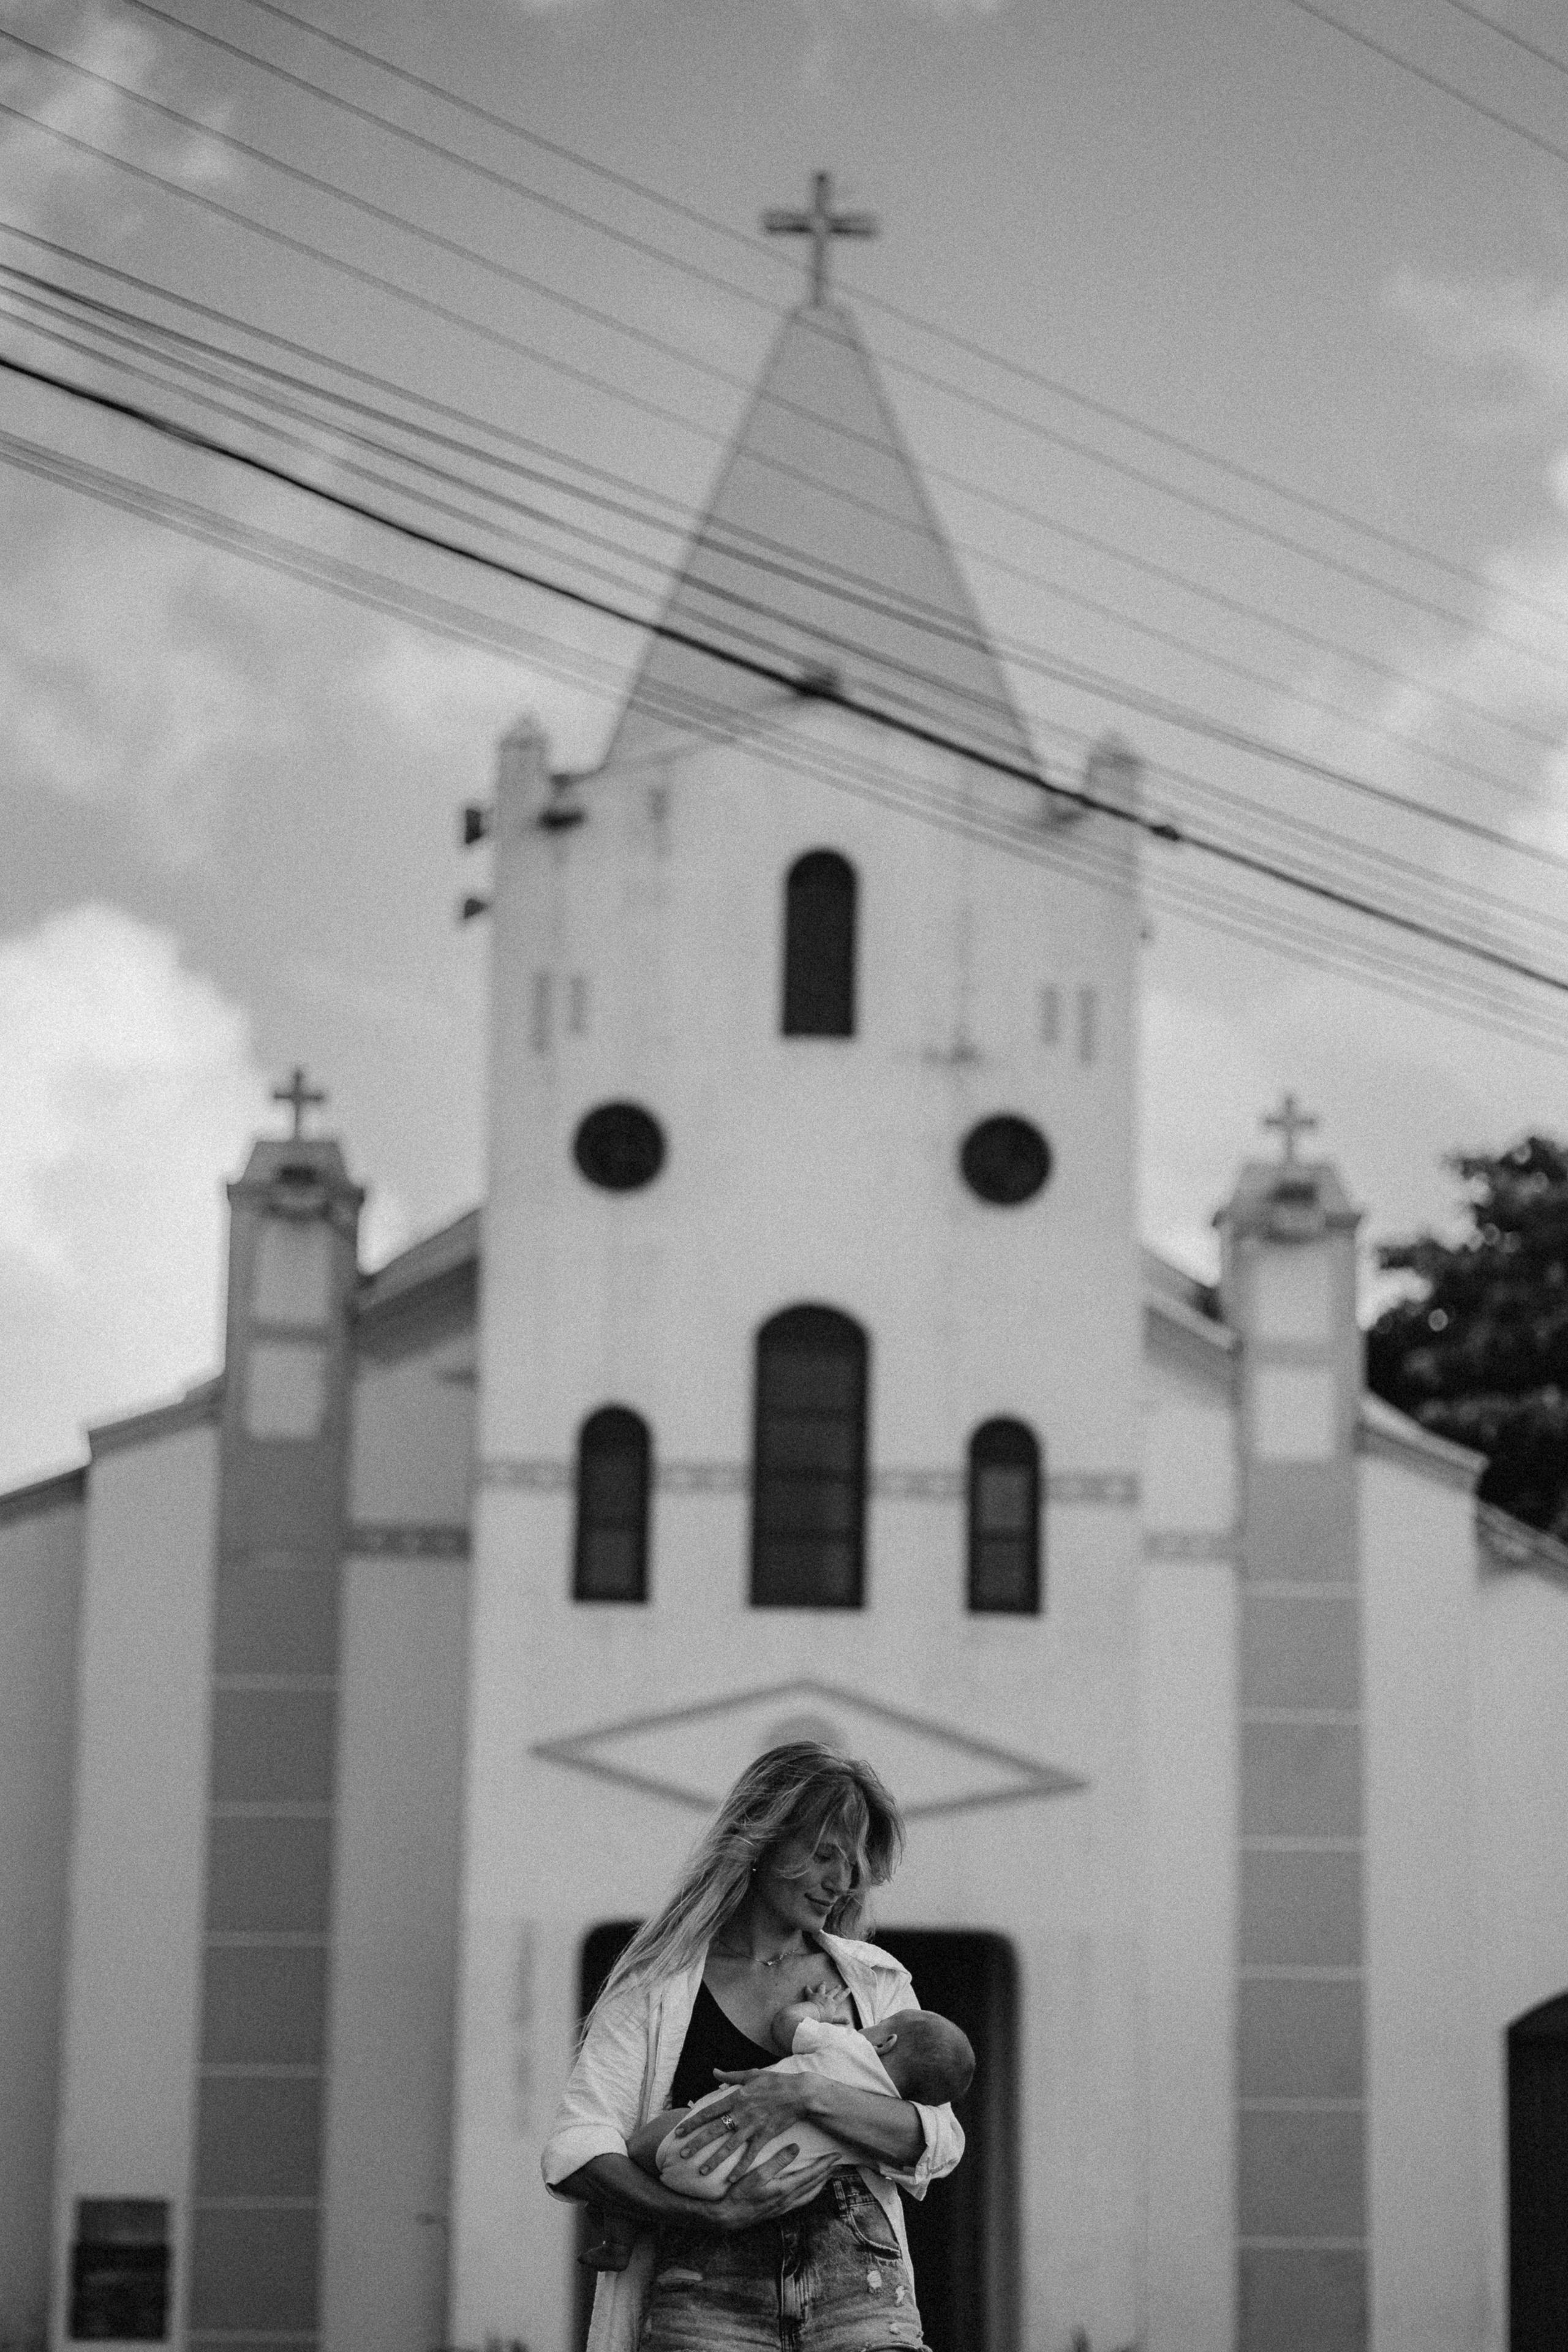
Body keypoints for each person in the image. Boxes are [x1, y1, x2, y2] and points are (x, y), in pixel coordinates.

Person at [542, 1742, 966, 2351]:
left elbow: (939, 2142)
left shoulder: (874, 1980)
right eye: (824, 1855)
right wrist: (704, 2214)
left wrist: (804, 2096)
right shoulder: (656, 1983)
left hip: (859, 2280)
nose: (839, 1883)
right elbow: (577, 2148)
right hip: (704, 2285)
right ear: (763, 1839)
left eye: (851, 1866)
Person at [581, 1991, 974, 2268]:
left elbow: (785, 2026)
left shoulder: (850, 2047)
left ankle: (617, 2243)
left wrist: (819, 2009)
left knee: (635, 2149)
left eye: (878, 2027)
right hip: (747, 2187)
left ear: (886, 2042)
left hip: (697, 2145)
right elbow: (935, 2143)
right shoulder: (880, 2119)